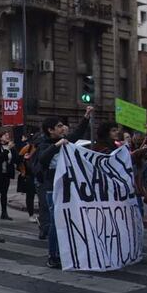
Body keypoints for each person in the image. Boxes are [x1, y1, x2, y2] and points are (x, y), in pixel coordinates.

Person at [35, 107, 92, 268]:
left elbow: (77, 134)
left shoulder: (66, 141)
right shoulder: (44, 144)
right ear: (50, 130)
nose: (63, 128)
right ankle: (53, 256)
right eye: (59, 126)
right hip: (52, 189)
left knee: (67, 221)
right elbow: (43, 159)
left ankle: (65, 253)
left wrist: (86, 116)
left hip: (67, 188)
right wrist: (57, 145)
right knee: (56, 222)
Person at [14, 131, 38, 223]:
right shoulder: (27, 148)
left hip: (38, 174)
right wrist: (23, 171)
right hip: (29, 175)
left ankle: (41, 214)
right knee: (30, 196)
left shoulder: (42, 147)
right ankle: (31, 215)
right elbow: (18, 160)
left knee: (40, 196)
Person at [0, 130, 14, 221]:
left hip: (6, 174)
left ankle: (4, 213)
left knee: (4, 194)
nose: (7, 136)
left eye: (8, 135)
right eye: (5, 135)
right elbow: (0, 158)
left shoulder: (10, 147)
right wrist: (7, 149)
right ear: (0, 137)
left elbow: (15, 158)